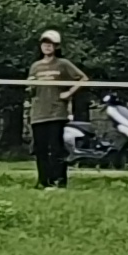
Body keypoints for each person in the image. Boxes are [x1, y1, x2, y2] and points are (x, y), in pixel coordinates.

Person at [25, 31, 87, 190]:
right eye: (44, 43)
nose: (47, 46)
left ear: (56, 46)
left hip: (56, 113)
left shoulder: (63, 64)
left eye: (50, 44)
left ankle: (59, 180)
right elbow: (30, 88)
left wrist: (69, 93)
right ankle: (43, 181)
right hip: (38, 113)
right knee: (40, 149)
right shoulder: (35, 66)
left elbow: (83, 78)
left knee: (56, 148)